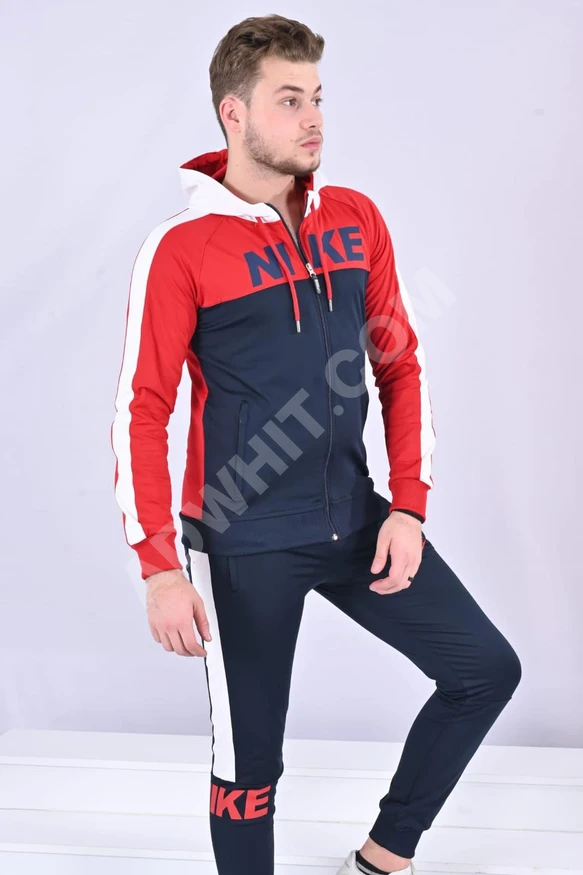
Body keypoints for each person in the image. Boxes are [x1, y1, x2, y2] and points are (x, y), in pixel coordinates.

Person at [110, 13, 522, 875]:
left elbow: (398, 365)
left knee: (484, 669)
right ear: (233, 113)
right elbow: (141, 410)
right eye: (289, 99)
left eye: (318, 98)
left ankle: (381, 858)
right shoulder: (181, 248)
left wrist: (407, 506)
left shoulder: (355, 219)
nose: (313, 120)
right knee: (249, 768)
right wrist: (158, 567)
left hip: (353, 519)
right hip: (242, 540)